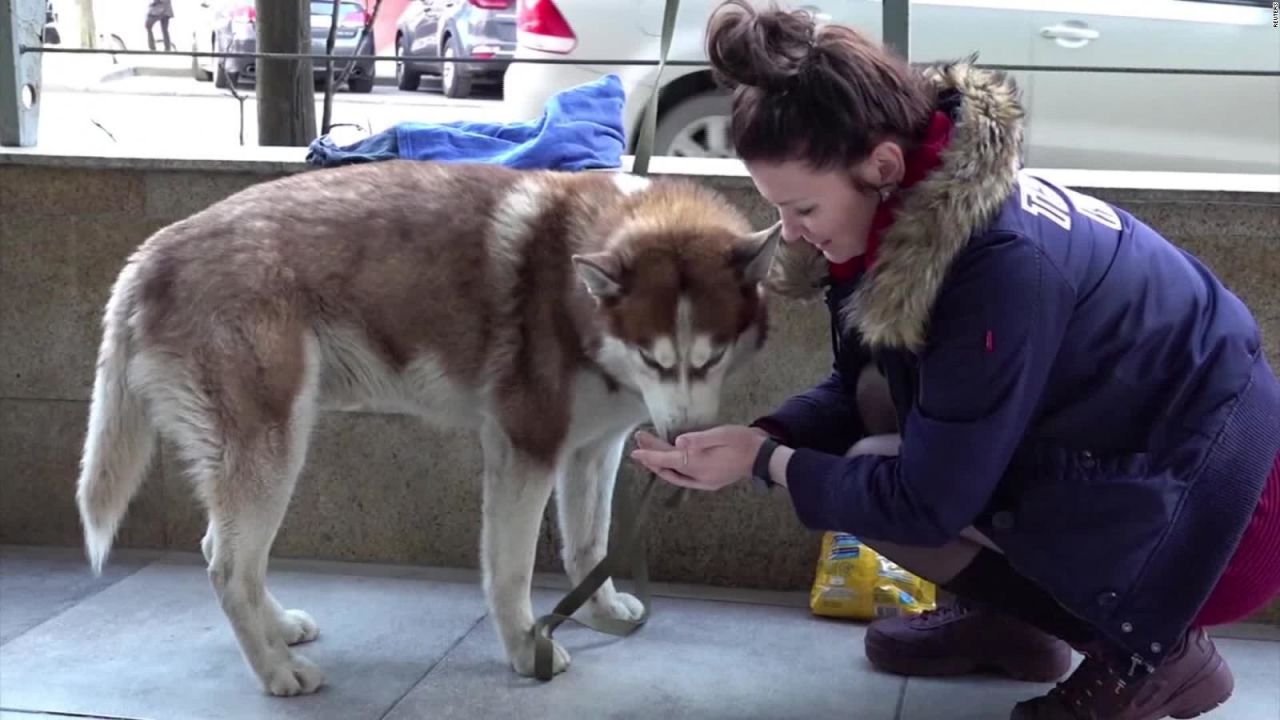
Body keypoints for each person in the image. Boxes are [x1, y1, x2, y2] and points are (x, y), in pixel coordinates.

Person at [628, 2, 1280, 718]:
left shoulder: (997, 266)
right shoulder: (912, 208)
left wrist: (765, 466)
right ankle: (1014, 627)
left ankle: (1152, 659)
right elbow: (859, 386)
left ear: (879, 165)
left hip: (1223, 518)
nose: (793, 236)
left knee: (883, 471)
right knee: (876, 411)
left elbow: (929, 500)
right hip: (1159, 458)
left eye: (804, 210)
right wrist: (773, 435)